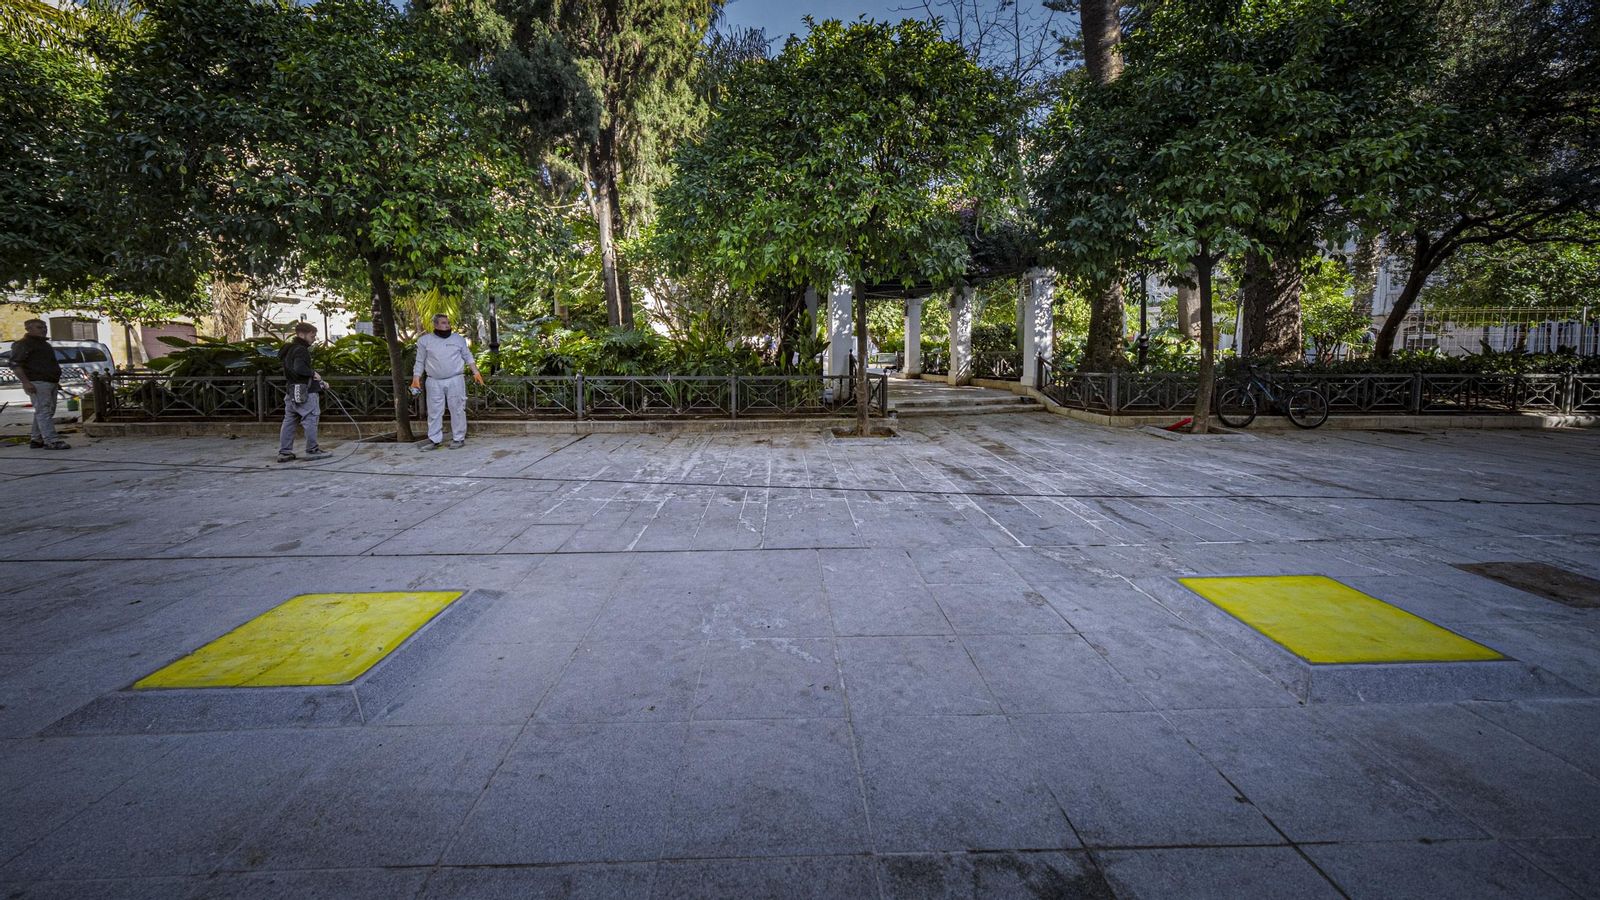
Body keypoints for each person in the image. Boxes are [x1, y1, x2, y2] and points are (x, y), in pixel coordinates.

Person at [410, 313, 483, 450]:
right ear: (436, 325)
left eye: (448, 323)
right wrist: (416, 379)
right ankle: (434, 439)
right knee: (434, 411)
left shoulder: (458, 339)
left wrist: (476, 372)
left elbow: (468, 356)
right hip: (434, 381)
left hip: (455, 379)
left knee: (458, 409)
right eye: (443, 323)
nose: (447, 325)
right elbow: (419, 361)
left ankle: (458, 438)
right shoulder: (424, 341)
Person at [8, 319, 69, 450]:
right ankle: (51, 440)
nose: (43, 329)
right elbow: (15, 364)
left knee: (45, 411)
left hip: (50, 381)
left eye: (44, 327)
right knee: (44, 411)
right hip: (37, 382)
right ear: (29, 329)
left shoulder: (44, 345)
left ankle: (37, 438)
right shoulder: (23, 344)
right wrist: (25, 382)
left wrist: (55, 381)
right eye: (39, 327)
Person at [278, 321, 327, 463]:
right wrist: (313, 373)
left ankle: (284, 452)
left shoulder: (288, 349)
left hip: (291, 391)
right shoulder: (301, 350)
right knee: (311, 419)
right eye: (312, 336)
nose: (314, 339)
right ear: (301, 334)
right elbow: (300, 369)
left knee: (289, 421)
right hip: (305, 392)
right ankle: (312, 449)